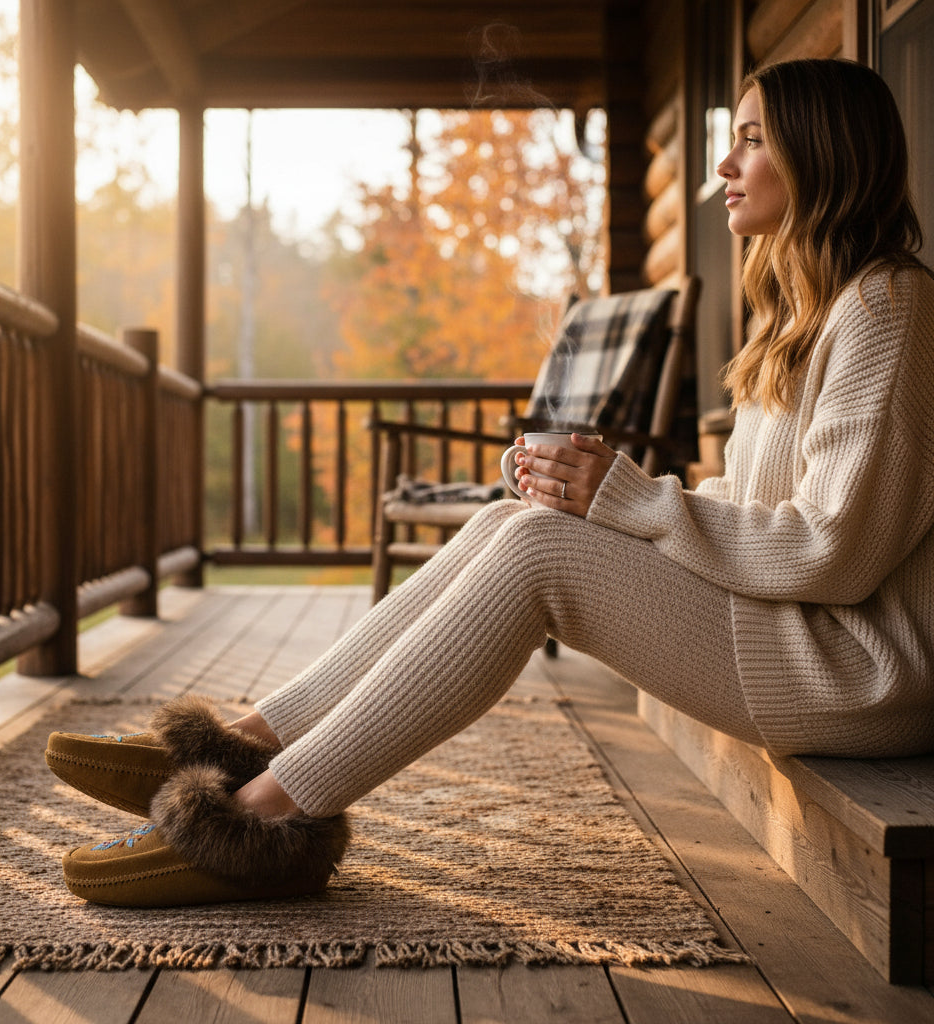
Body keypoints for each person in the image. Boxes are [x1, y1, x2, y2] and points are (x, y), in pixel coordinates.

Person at [48, 58, 934, 908]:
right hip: (791, 633)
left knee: (542, 551)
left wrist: (626, 500)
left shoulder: (886, 308)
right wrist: (591, 492)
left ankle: (262, 821)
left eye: (752, 139)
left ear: (824, 155)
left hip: (854, 672)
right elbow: (756, 519)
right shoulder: (804, 314)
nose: (724, 162)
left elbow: (833, 553)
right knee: (518, 521)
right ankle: (250, 744)